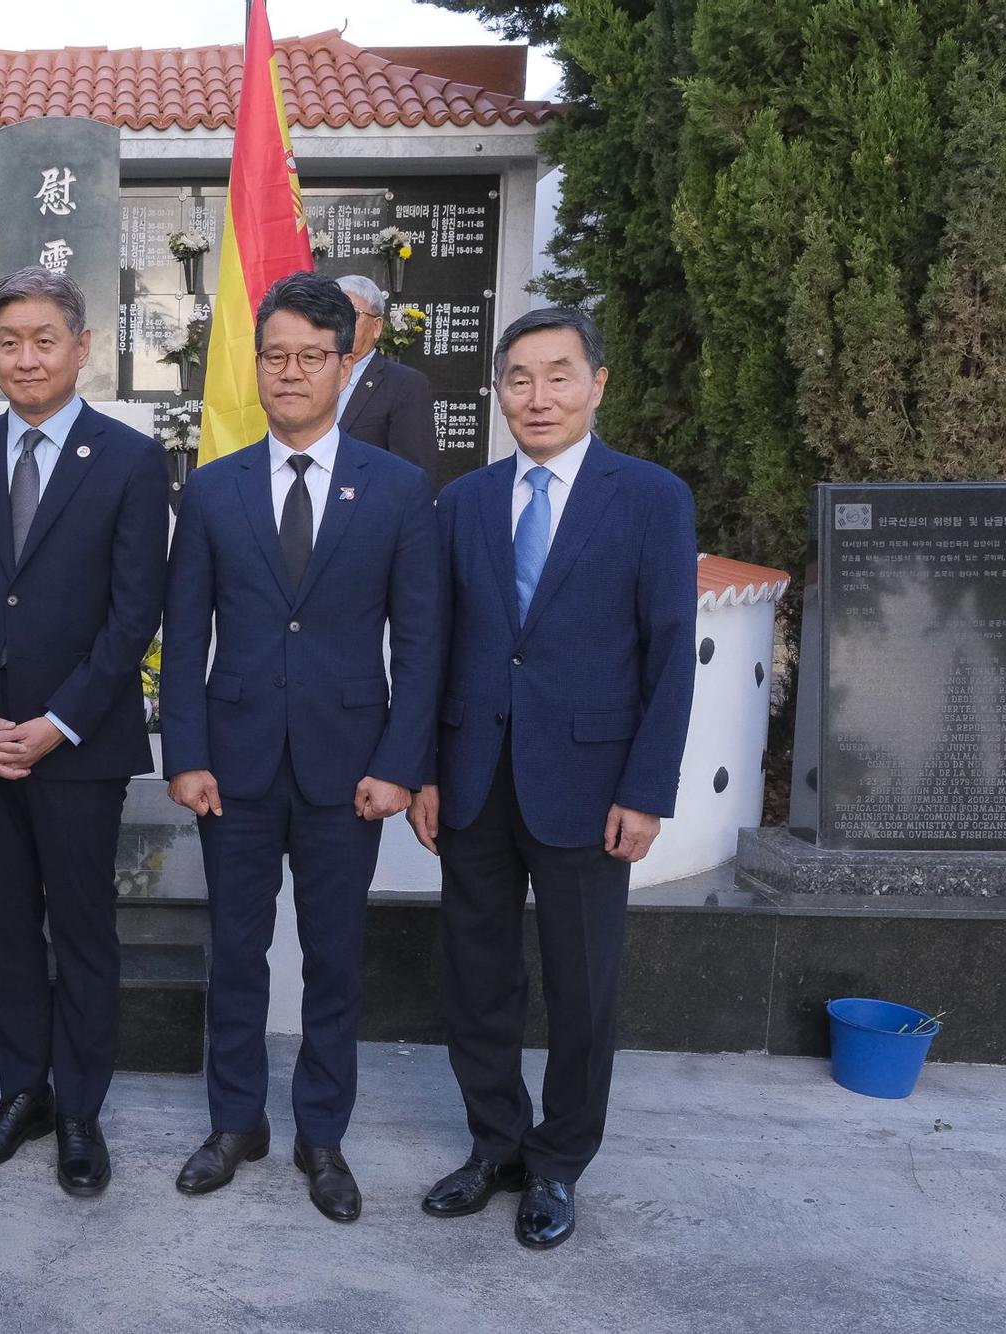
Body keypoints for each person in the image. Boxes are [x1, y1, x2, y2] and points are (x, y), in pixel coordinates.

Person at [409, 306, 697, 1249]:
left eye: (558, 375)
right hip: (473, 778)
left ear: (597, 383)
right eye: (520, 378)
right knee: (478, 977)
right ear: (499, 392)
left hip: (591, 784)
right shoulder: (463, 502)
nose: (538, 396)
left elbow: (669, 656)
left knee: (582, 985)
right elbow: (435, 647)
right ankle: (494, 1145)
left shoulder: (650, 497)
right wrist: (423, 771)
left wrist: (647, 790)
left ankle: (559, 1162)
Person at [159, 272, 441, 1224]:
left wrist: (399, 765)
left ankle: (323, 1134)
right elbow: (184, 637)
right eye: (274, 355)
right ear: (257, 364)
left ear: (344, 363)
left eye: (311, 356)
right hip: (231, 768)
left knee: (334, 957)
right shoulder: (213, 489)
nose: (290, 372)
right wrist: (185, 754)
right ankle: (235, 1123)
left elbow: (422, 641)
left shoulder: (396, 489)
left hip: (349, 771)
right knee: (236, 952)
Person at [0, 266, 168, 1197]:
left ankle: (81, 1112)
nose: (25, 357)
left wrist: (59, 722)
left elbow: (134, 613)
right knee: (6, 925)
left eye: (44, 339)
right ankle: (22, 1092)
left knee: (84, 929)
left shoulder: (131, 460)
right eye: (8, 341)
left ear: (81, 348)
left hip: (78, 746)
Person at [333, 274, 437, 477]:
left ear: (377, 327)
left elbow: (413, 474)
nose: (340, 323)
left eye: (352, 314)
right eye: (333, 314)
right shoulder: (313, 375)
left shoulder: (405, 385)